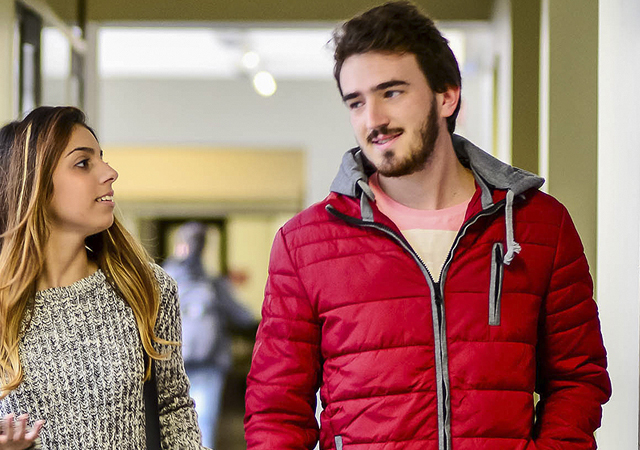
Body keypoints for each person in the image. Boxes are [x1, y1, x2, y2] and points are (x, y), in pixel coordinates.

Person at [244, 2, 611, 449]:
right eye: (356, 102)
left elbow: (578, 378)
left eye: (391, 92)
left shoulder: (539, 226)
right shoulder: (305, 244)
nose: (372, 119)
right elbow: (275, 410)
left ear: (446, 95)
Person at [0, 106, 205, 450]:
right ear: (34, 185)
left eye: (101, 159)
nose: (110, 172)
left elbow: (174, 413)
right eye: (83, 163)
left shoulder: (145, 288)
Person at [163, 222, 256, 449]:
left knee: (198, 423)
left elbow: (240, 316)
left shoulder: (208, 282)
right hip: (176, 367)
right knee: (191, 424)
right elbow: (242, 316)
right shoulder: (166, 280)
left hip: (203, 366)